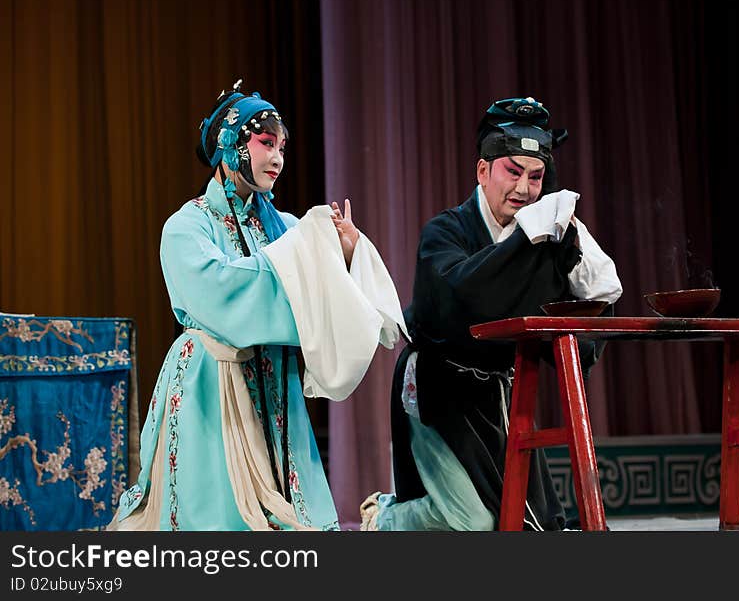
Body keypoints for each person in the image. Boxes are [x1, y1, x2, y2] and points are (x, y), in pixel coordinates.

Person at [109, 80, 406, 531]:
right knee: (214, 523)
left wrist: (343, 257)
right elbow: (218, 294)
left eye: (282, 147)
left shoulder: (286, 228)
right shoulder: (187, 226)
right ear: (230, 143)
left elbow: (324, 296)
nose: (278, 158)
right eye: (266, 143)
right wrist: (303, 268)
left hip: (276, 382)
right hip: (212, 383)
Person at [360, 96, 622, 531]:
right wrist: (523, 247)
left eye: (536, 177)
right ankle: (384, 518)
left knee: (519, 523)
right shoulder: (446, 232)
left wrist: (570, 252)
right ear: (483, 171)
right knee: (476, 523)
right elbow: (456, 300)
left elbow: (597, 298)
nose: (523, 189)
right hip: (437, 390)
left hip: (499, 394)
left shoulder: (547, 234)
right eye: (512, 172)